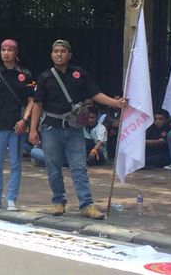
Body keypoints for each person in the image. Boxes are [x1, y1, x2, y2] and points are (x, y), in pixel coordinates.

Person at [28, 39, 126, 220]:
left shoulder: (79, 74)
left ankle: (87, 205)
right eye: (56, 51)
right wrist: (33, 129)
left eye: (63, 51)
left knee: (79, 167)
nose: (59, 54)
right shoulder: (45, 77)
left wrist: (115, 103)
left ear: (69, 55)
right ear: (52, 55)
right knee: (53, 167)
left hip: (74, 130)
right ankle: (58, 201)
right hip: (51, 128)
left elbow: (96, 94)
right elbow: (37, 104)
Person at [0, 39, 34, 212]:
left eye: (10, 50)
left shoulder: (25, 75)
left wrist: (25, 120)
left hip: (17, 126)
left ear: (15, 53)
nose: (6, 53)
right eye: (3, 49)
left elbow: (32, 101)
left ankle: (12, 198)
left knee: (16, 163)